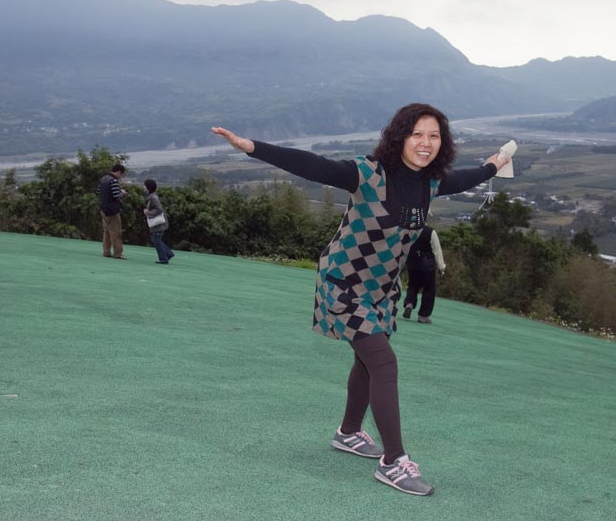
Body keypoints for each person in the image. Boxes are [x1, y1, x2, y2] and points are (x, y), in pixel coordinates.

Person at [212, 103, 508, 497]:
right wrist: (252, 146)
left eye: (434, 136)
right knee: (383, 362)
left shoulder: (431, 183)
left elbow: (467, 177)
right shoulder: (368, 174)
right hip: (344, 283)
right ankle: (393, 462)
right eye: (417, 134)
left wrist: (493, 165)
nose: (425, 143)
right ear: (400, 137)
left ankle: (349, 432)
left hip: (381, 291)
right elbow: (314, 166)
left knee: (367, 363)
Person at [402, 226, 445, 324]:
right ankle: (423, 316)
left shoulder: (409, 229)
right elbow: (437, 250)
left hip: (412, 263)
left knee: (412, 286)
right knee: (429, 290)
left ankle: (409, 304)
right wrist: (441, 267)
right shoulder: (430, 232)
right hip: (427, 265)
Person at [97, 163, 127, 259]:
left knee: (106, 231)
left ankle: (106, 251)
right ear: (119, 172)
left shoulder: (103, 179)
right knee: (116, 232)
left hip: (103, 208)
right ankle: (118, 253)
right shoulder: (113, 181)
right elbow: (116, 196)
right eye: (121, 174)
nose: (121, 177)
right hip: (112, 210)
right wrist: (122, 193)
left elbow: (98, 192)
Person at [143, 179, 175, 265]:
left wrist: (148, 213)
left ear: (148, 187)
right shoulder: (152, 196)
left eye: (145, 185)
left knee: (156, 240)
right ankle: (168, 254)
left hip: (159, 223)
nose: (143, 187)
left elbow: (159, 209)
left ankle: (164, 258)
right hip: (159, 222)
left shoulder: (153, 197)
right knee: (156, 239)